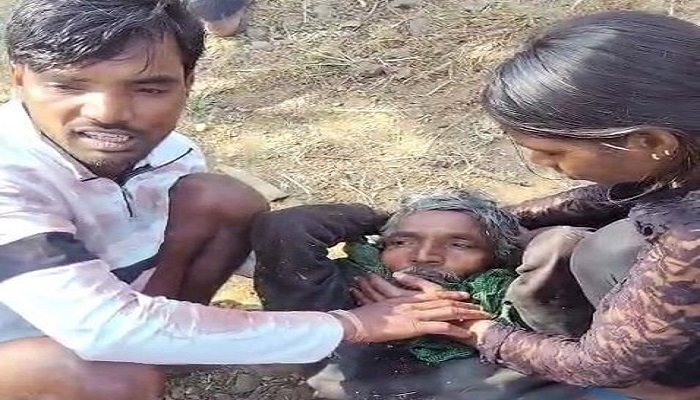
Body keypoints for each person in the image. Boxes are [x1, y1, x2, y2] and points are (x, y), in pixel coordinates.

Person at [0, 2, 486, 399]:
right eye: (69, 85)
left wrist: (374, 277)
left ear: (188, 82)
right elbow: (100, 328)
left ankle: (159, 347)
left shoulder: (170, 152)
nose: (109, 113)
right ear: (19, 79)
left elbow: (243, 251)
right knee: (109, 382)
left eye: (149, 88)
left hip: (90, 297)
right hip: (41, 328)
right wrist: (348, 324)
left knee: (221, 200)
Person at [356, 10, 700, 400]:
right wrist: (480, 219)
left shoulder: (690, 236)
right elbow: (626, 191)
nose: (539, 163)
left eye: (553, 152)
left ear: (652, 142)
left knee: (607, 253)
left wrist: (465, 325)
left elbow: (600, 365)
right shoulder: (685, 136)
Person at [252, 191, 587, 399]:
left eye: (459, 244)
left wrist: (515, 238)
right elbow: (287, 227)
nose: (425, 256)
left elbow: (561, 244)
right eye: (402, 242)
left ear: (497, 257)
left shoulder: (518, 299)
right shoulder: (344, 291)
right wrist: (385, 219)